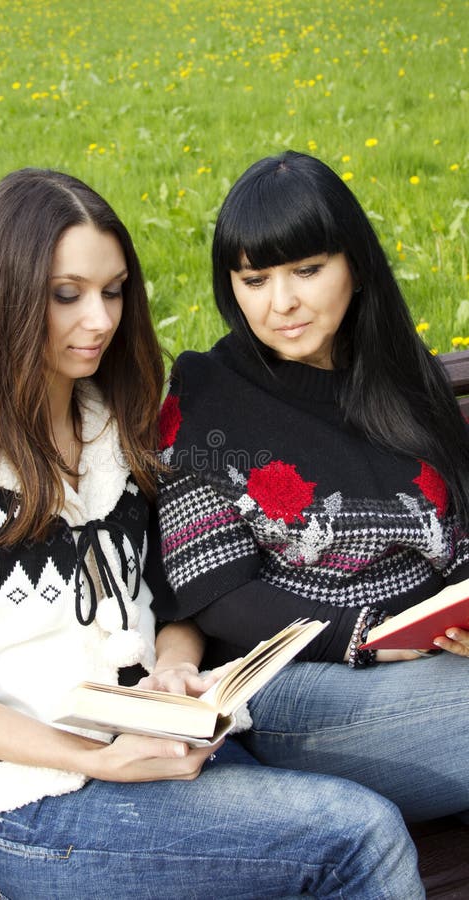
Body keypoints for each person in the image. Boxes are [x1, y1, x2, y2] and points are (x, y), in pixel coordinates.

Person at [0, 168, 425, 899]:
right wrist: (99, 761)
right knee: (361, 837)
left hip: (155, 739)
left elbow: (165, 600)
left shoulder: (113, 424)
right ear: (5, 293)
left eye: (113, 289)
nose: (99, 319)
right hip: (26, 796)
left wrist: (171, 666)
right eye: (66, 295)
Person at [156, 150, 469, 825]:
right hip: (292, 688)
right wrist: (368, 634)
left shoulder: (400, 378)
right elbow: (217, 596)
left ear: (355, 264)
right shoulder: (209, 398)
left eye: (307, 270)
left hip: (438, 670)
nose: (282, 303)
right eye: (254, 278)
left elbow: (461, 525)